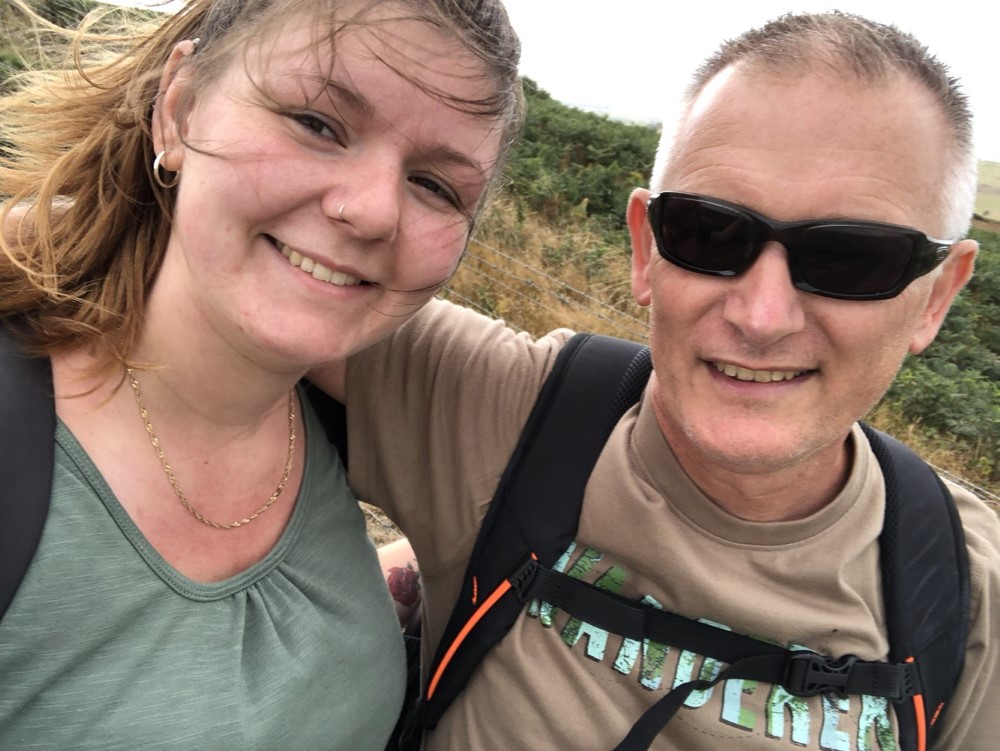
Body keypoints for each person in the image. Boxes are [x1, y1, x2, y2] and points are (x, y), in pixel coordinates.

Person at [312, 11, 1000, 750]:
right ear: (646, 249)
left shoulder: (969, 596)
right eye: (710, 233)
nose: (762, 316)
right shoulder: (510, 410)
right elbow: (249, 273)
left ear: (936, 296)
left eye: (852, 259)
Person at [0, 0, 522, 747]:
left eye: (436, 186)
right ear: (179, 109)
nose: (373, 211)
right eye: (316, 123)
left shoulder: (358, 418)